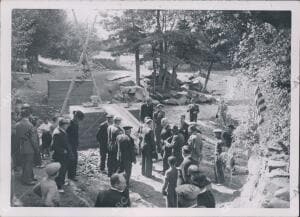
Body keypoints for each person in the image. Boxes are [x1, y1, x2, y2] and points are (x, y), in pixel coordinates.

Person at [15, 109, 39, 185]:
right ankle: (27, 180)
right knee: (28, 163)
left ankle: (27, 176)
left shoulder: (17, 124)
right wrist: (36, 148)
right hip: (29, 147)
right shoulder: (30, 125)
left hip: (20, 146)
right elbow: (33, 139)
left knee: (24, 163)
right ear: (28, 115)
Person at [52, 117, 73, 192]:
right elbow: (54, 146)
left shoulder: (62, 131)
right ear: (63, 125)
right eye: (66, 124)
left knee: (64, 170)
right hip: (60, 156)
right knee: (61, 171)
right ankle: (58, 187)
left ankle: (62, 182)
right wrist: (63, 151)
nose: (67, 126)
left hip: (64, 155)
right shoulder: (57, 133)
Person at [66, 110, 85, 181]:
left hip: (74, 145)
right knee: (72, 160)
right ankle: (71, 176)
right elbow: (67, 137)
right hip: (70, 146)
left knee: (74, 160)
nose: (79, 121)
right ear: (76, 117)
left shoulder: (75, 124)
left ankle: (72, 174)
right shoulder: (70, 125)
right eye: (79, 119)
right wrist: (69, 148)